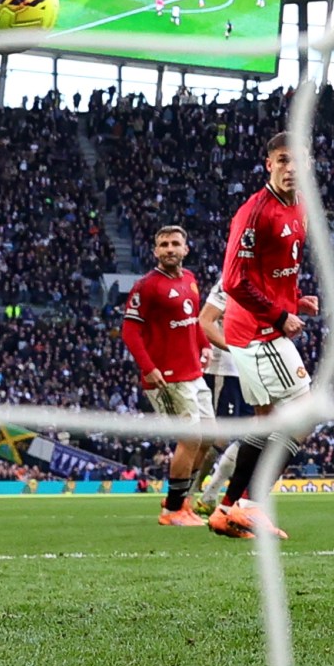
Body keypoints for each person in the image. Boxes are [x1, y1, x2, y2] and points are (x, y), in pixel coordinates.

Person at [207, 134, 318, 540]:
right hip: (255, 331)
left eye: (298, 161)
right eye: (283, 160)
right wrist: (279, 314)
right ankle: (253, 504)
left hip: (263, 325)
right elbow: (234, 281)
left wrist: (295, 301)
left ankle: (225, 510)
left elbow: (275, 270)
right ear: (269, 164)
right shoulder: (254, 212)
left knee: (266, 421)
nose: (291, 168)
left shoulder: (298, 208)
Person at [123, 225, 212, 527]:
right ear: (155, 252)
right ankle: (173, 510)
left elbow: (193, 320)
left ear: (186, 248)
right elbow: (130, 331)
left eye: (175, 243)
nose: (170, 249)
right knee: (190, 438)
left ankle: (181, 501)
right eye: (163, 245)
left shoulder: (190, 279)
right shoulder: (147, 286)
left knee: (208, 438)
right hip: (168, 377)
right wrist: (149, 367)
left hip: (194, 372)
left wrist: (204, 345)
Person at [187, 283, 244, 516]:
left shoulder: (267, 278)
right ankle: (188, 493)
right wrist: (234, 348)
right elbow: (204, 321)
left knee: (251, 436)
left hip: (249, 372)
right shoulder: (229, 281)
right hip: (224, 371)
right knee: (217, 438)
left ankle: (209, 494)